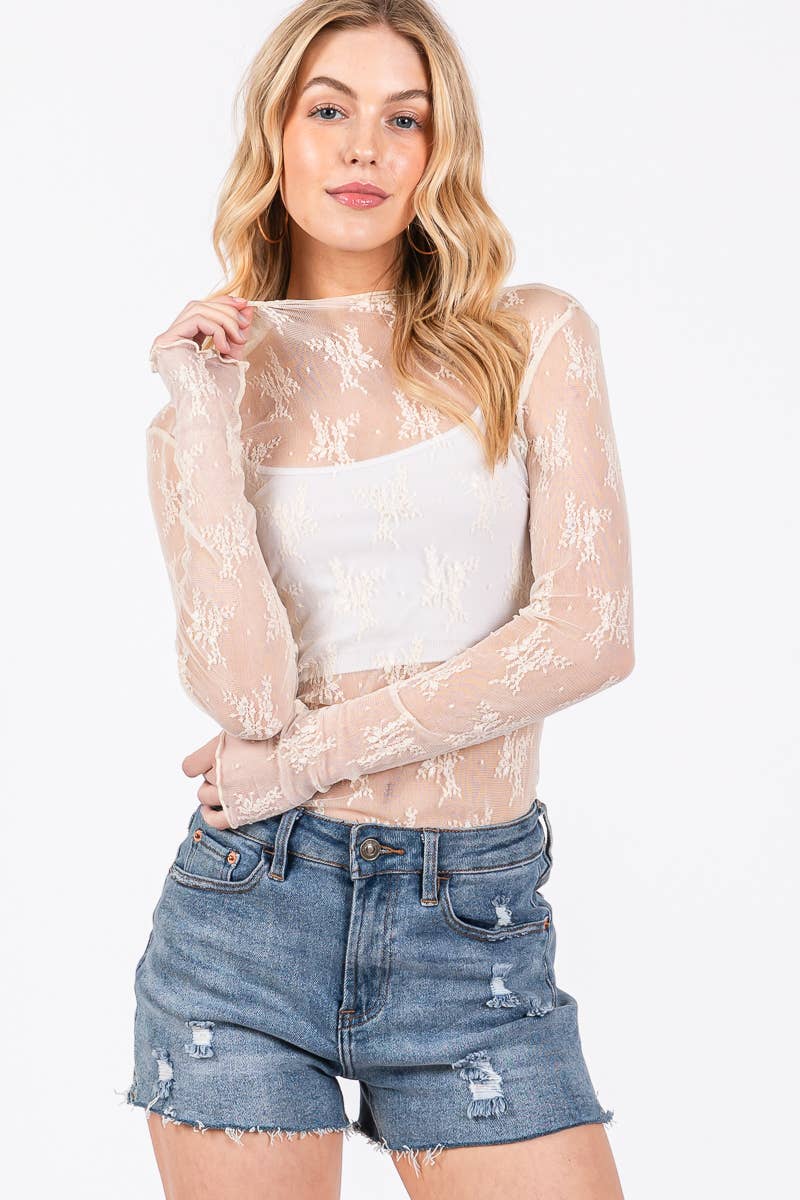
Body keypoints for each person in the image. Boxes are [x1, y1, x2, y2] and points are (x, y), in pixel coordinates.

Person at [124, 2, 635, 1196]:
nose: (364, 146)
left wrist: (302, 760)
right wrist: (199, 415)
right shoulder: (205, 398)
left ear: (437, 151)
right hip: (248, 921)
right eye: (329, 110)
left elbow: (589, 634)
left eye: (403, 119)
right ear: (276, 135)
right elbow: (248, 698)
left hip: (473, 930)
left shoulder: (530, 339)